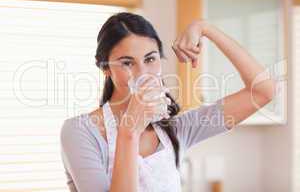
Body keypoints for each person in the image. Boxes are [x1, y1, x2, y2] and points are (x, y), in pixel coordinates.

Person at [60, 12, 275, 192]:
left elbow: (263, 92)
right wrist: (129, 132)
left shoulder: (177, 129)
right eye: (127, 62)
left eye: (150, 59)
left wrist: (206, 28)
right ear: (106, 68)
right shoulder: (81, 131)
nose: (143, 73)